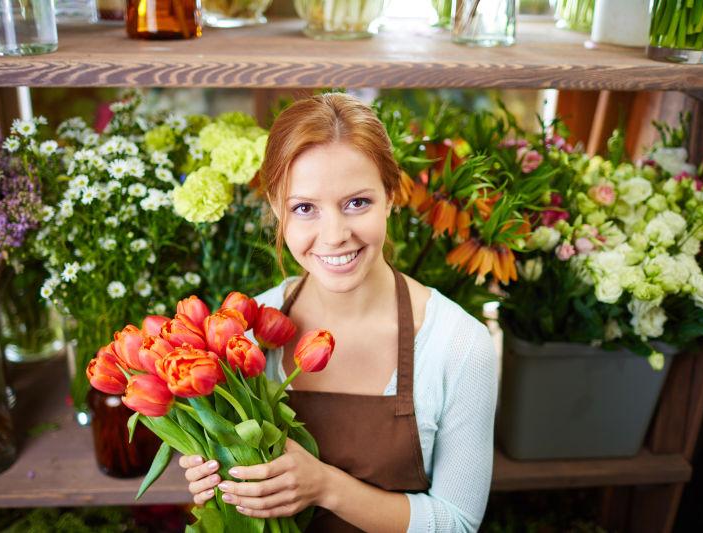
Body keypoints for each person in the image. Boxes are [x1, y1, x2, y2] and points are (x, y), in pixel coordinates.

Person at [180, 93, 498, 532]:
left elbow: (458, 523)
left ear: (390, 196)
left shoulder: (459, 345)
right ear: (277, 208)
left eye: (356, 203)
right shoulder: (244, 330)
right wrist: (222, 481)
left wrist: (325, 487)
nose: (334, 235)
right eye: (305, 208)